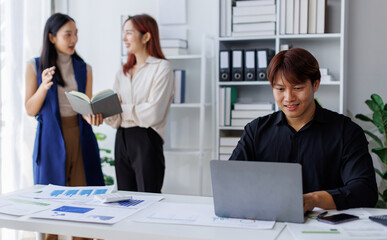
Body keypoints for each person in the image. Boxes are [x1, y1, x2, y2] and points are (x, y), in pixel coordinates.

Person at [229, 48, 378, 213]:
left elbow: (365, 191)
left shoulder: (346, 132)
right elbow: (230, 181)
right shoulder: (256, 130)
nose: (288, 97)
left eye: (298, 88)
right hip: (269, 224)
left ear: (315, 84)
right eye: (280, 89)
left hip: (326, 229)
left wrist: (314, 200)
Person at [25, 13, 105, 187]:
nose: (74, 40)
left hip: (81, 135)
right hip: (50, 136)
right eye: (68, 34)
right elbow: (30, 110)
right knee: (52, 197)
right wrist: (44, 87)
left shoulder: (85, 68)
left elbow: (85, 107)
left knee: (84, 193)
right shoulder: (34, 66)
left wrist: (92, 116)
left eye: (76, 34)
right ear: (52, 37)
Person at [104, 14, 174, 193]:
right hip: (122, 139)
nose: (123, 38)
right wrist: (103, 112)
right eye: (123, 33)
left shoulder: (162, 68)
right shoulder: (122, 72)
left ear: (146, 37)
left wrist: (120, 109)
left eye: (129, 33)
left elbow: (154, 113)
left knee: (148, 200)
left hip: (147, 139)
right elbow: (115, 118)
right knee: (124, 200)